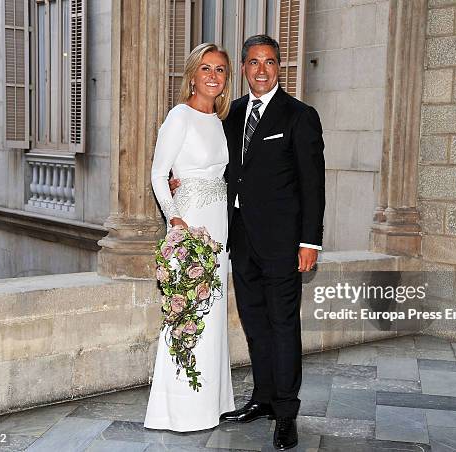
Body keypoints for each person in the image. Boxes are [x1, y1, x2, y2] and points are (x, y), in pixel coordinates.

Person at [172, 35, 325, 450]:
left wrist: (310, 242)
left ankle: (287, 413)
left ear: (280, 68)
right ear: (243, 68)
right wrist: (179, 181)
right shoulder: (232, 114)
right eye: (254, 62)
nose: (261, 70)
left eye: (270, 62)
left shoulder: (300, 116)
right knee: (256, 325)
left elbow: (313, 186)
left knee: (284, 326)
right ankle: (262, 399)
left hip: (283, 244)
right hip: (238, 241)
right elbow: (214, 167)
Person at [144, 43, 235, 432]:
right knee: (186, 313)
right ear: (193, 75)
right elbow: (158, 173)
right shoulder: (178, 116)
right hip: (190, 224)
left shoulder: (221, 120)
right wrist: (175, 219)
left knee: (212, 315)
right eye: (206, 69)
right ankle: (179, 410)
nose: (213, 76)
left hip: (219, 226)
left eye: (220, 70)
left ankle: (211, 404)